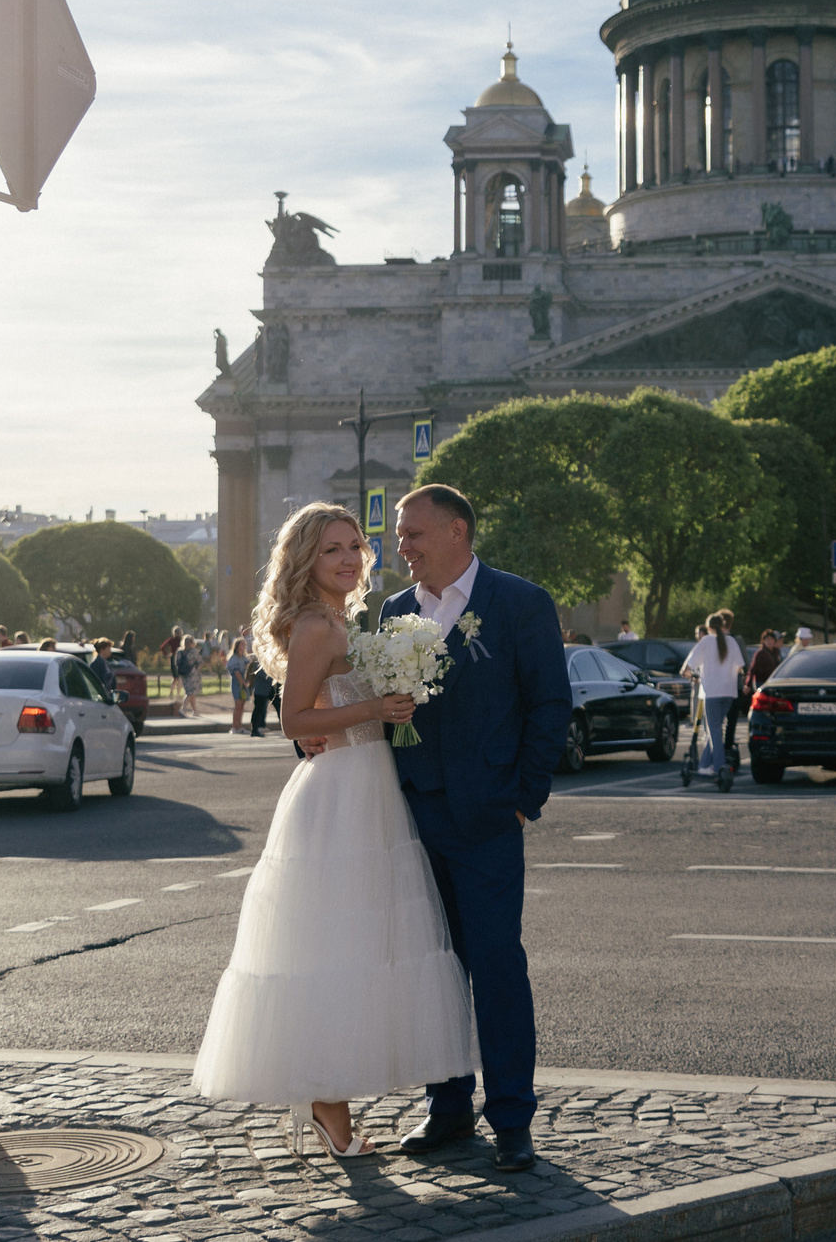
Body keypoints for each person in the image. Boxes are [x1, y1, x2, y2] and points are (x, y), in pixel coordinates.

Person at [192, 502, 477, 1160]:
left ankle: (331, 1106)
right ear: (305, 562)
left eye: (354, 545)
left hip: (368, 785)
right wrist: (378, 704)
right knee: (335, 949)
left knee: (353, 947)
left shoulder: (341, 620)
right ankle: (327, 1105)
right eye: (331, 550)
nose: (348, 558)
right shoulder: (317, 626)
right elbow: (293, 719)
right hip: (342, 793)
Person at [366, 484, 571, 1172]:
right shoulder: (395, 611)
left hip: (488, 818)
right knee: (435, 966)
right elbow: (397, 712)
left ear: (458, 530)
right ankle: (447, 1105)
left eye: (415, 533)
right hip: (417, 814)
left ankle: (512, 1116)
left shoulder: (520, 602)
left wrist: (523, 799)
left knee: (495, 961)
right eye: (399, 534)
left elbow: (549, 706)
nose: (403, 545)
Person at [683, 610, 748, 783]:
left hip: (711, 693)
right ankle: (705, 765)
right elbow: (740, 667)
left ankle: (720, 767)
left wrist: (691, 675)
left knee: (714, 731)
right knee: (715, 730)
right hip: (729, 692)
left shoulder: (706, 641)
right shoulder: (732, 642)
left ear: (709, 627)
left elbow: (687, 668)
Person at [744, 629, 783, 704]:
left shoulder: (776, 652)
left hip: (773, 682)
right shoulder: (760, 653)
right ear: (763, 641)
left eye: (771, 639)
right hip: (761, 682)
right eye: (767, 639)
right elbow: (753, 669)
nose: (769, 641)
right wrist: (748, 684)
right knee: (762, 703)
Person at [177, 634, 204, 718]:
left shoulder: (179, 652)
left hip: (183, 674)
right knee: (190, 692)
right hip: (192, 674)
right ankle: (183, 709)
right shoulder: (194, 651)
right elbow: (200, 661)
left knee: (191, 692)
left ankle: (195, 711)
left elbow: (177, 663)